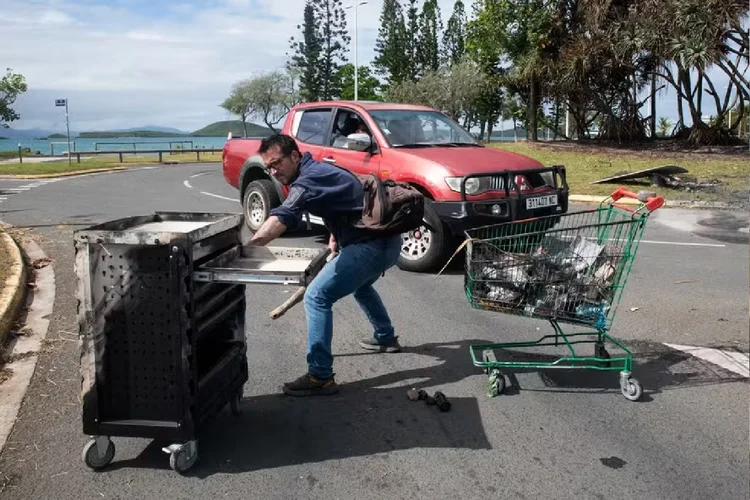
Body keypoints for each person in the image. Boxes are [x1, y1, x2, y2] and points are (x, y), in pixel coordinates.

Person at [249, 134, 402, 397]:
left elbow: (282, 216)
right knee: (362, 287)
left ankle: (320, 375)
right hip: (389, 242)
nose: (273, 171)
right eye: (269, 167)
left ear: (294, 156)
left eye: (277, 163)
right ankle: (385, 336)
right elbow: (344, 201)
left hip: (371, 247)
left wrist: (248, 248)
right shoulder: (321, 169)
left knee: (316, 297)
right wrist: (335, 237)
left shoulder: (307, 180)